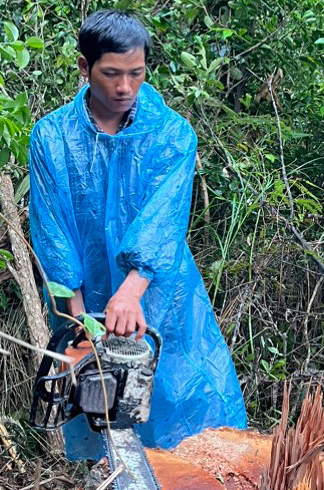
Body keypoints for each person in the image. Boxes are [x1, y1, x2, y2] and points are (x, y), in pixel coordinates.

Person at [29, 9, 247, 449]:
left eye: (136, 73)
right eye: (111, 74)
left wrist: (131, 292)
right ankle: (108, 481)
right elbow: (52, 231)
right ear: (84, 67)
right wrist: (78, 319)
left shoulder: (172, 135)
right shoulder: (51, 137)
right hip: (83, 292)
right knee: (99, 394)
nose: (125, 87)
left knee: (181, 390)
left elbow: (162, 222)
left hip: (160, 290)